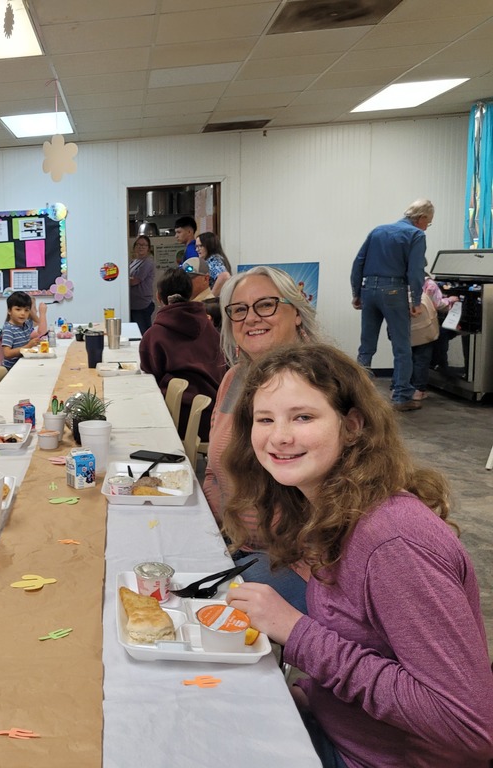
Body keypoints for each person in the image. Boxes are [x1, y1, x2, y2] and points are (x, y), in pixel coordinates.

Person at [222, 343, 493, 768]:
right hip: (343, 732)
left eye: (303, 417)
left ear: (352, 426)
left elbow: (467, 726)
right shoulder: (329, 512)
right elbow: (370, 643)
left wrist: (297, 633)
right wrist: (314, 697)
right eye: (265, 419)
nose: (279, 436)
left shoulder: (393, 542)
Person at [204, 266, 322, 613]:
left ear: (297, 313)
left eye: (266, 305)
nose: (250, 317)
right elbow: (213, 469)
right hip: (237, 545)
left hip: (297, 564)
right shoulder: (234, 380)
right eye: (239, 309)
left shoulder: (319, 384)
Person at [350, 199, 433, 411]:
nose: (427, 227)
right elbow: (415, 271)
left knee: (366, 345)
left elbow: (358, 262)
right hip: (394, 291)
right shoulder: (416, 235)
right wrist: (416, 300)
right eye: (429, 223)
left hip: (369, 290)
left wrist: (356, 292)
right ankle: (402, 396)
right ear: (421, 218)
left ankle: (357, 393)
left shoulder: (378, 230)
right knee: (402, 347)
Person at [138, 267, 224, 441]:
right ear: (190, 293)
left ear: (158, 297)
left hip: (177, 418)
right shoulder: (210, 328)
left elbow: (149, 379)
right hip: (215, 416)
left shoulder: (155, 334)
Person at [410, 274, 457, 401]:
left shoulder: (402, 280)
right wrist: (450, 300)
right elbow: (437, 304)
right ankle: (418, 390)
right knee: (422, 358)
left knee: (406, 357)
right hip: (424, 328)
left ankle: (401, 387)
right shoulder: (430, 284)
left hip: (406, 327)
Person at [0, 291, 47, 370]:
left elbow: (38, 321)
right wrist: (28, 346)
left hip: (23, 364)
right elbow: (7, 353)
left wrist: (30, 305)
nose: (23, 313)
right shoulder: (8, 329)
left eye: (26, 310)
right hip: (12, 369)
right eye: (18, 309)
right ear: (9, 311)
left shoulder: (26, 324)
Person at [128, 235, 156, 336]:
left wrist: (122, 281)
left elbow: (135, 281)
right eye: (138, 244)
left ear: (148, 248)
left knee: (144, 335)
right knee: (134, 334)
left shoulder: (147, 262)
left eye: (144, 245)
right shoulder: (134, 262)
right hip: (133, 305)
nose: (141, 247)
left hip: (142, 305)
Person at [194, 231, 232, 296]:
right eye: (196, 246)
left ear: (209, 246)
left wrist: (211, 297)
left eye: (200, 246)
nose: (197, 249)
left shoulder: (213, 260)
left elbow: (224, 276)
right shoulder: (219, 258)